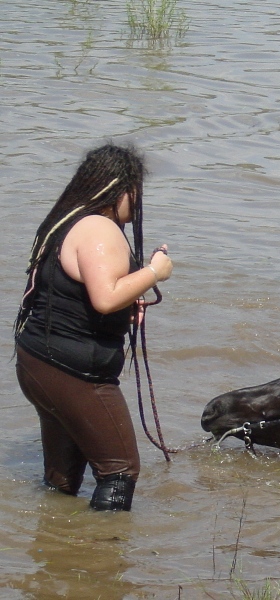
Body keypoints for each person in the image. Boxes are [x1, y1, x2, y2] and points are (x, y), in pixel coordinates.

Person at [14, 143, 173, 511]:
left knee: (62, 479)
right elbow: (105, 297)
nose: (139, 200)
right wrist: (155, 271)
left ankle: (54, 541)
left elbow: (72, 294)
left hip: (38, 362)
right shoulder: (100, 228)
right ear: (119, 189)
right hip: (74, 372)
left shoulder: (68, 221)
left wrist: (124, 312)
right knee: (120, 470)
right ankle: (105, 547)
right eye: (136, 190)